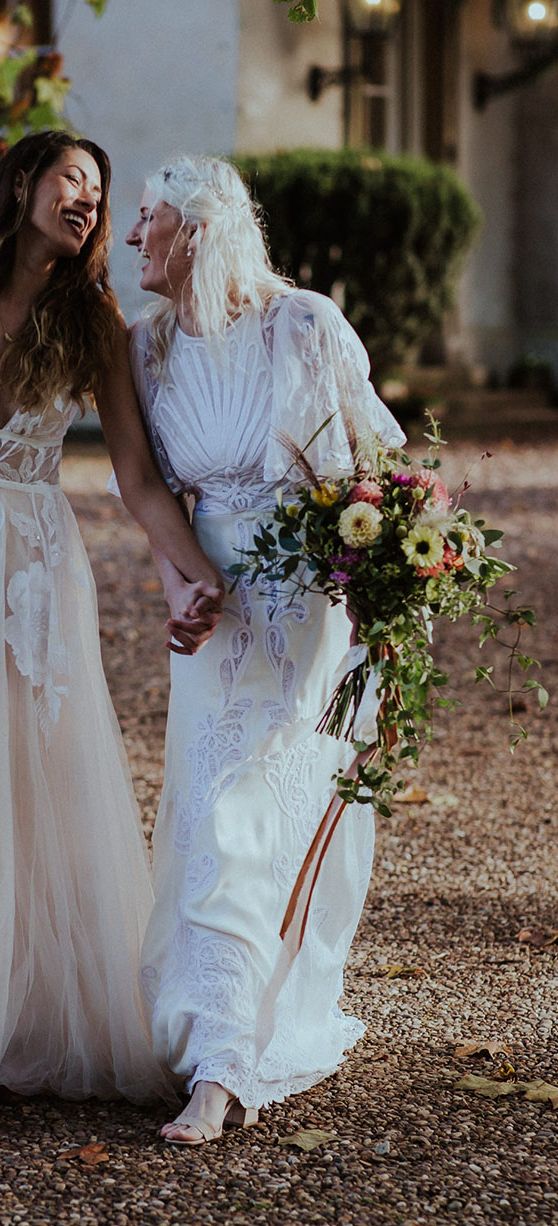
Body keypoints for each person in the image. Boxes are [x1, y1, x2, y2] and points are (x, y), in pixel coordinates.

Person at [125, 154, 406, 1143]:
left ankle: (223, 1061)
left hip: (303, 609)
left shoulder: (306, 325)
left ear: (197, 231)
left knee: (254, 812)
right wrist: (178, 588)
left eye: (147, 219)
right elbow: (155, 499)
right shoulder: (148, 349)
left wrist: (384, 587)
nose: (130, 239)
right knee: (208, 815)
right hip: (214, 617)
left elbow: (380, 465)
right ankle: (219, 1026)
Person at [0, 131, 223, 1102]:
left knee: (34, 781)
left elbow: (135, 476)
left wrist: (190, 574)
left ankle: (28, 1010)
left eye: (99, 188)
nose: (89, 198)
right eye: (72, 179)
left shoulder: (93, 317)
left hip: (36, 559)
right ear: (22, 184)